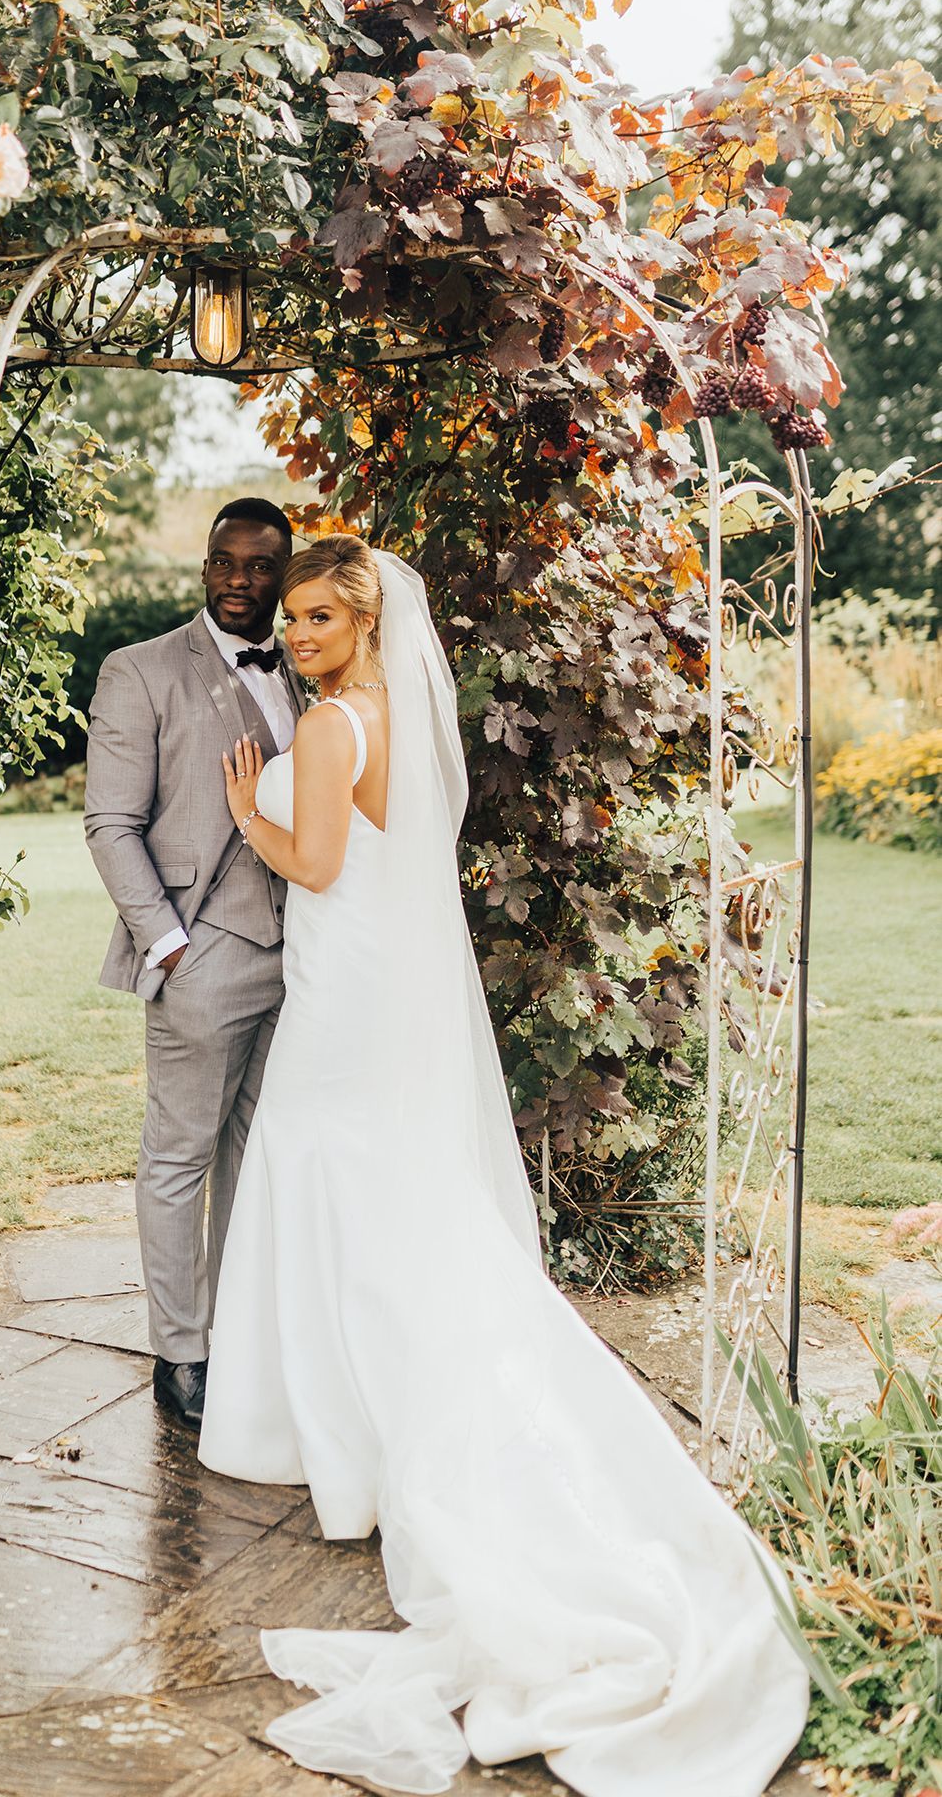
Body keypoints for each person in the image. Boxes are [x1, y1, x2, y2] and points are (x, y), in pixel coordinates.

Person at [198, 535, 810, 1797]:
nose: (300, 634)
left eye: (320, 616)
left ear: (364, 619)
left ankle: (335, 1434)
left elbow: (312, 861)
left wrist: (244, 807)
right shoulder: (397, 713)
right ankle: (361, 1408)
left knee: (319, 1167)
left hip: (339, 989)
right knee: (378, 1185)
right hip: (386, 984)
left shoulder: (324, 728)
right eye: (294, 618)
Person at [83, 499, 306, 1430]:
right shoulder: (141, 671)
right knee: (178, 1157)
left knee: (257, 1155)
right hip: (201, 951)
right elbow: (110, 823)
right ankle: (182, 1353)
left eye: (261, 567)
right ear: (205, 563)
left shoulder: (311, 664)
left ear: (283, 576)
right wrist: (165, 941)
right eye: (226, 561)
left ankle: (242, 1332)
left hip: (305, 954)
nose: (240, 580)